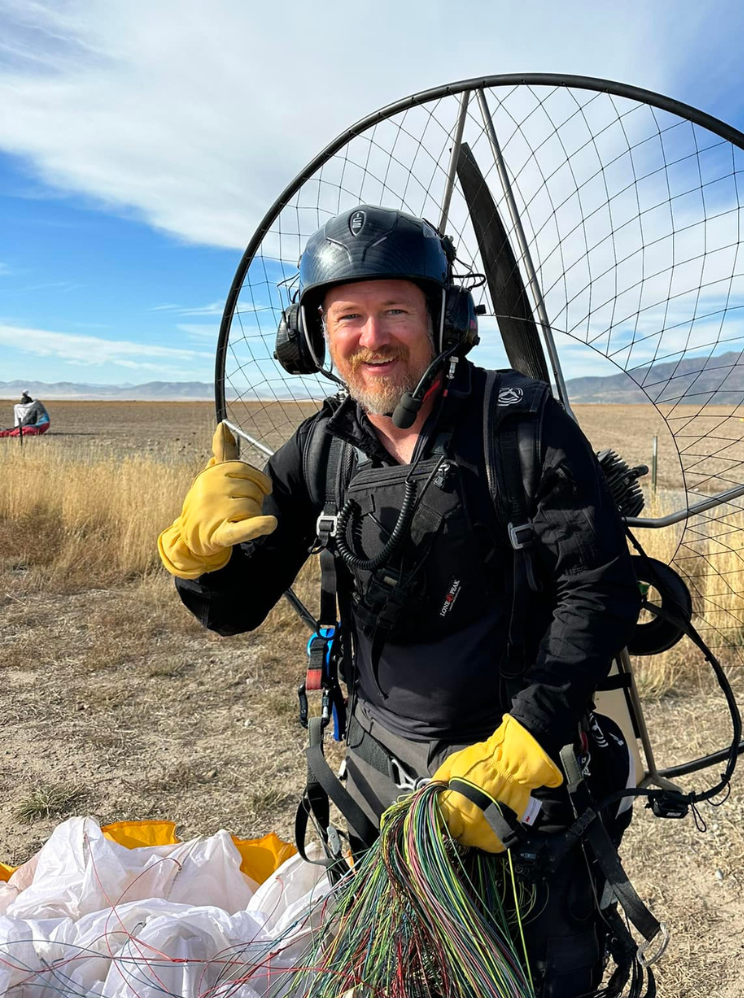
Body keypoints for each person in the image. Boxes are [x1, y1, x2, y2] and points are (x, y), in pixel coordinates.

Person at [157, 206, 641, 996]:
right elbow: (238, 607)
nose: (372, 337)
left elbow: (598, 586)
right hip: (377, 773)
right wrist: (198, 561)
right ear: (316, 335)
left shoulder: (517, 427)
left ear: (440, 319)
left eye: (395, 312)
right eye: (348, 316)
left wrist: (528, 741)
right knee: (401, 970)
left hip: (515, 768)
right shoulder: (319, 449)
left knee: (533, 967)